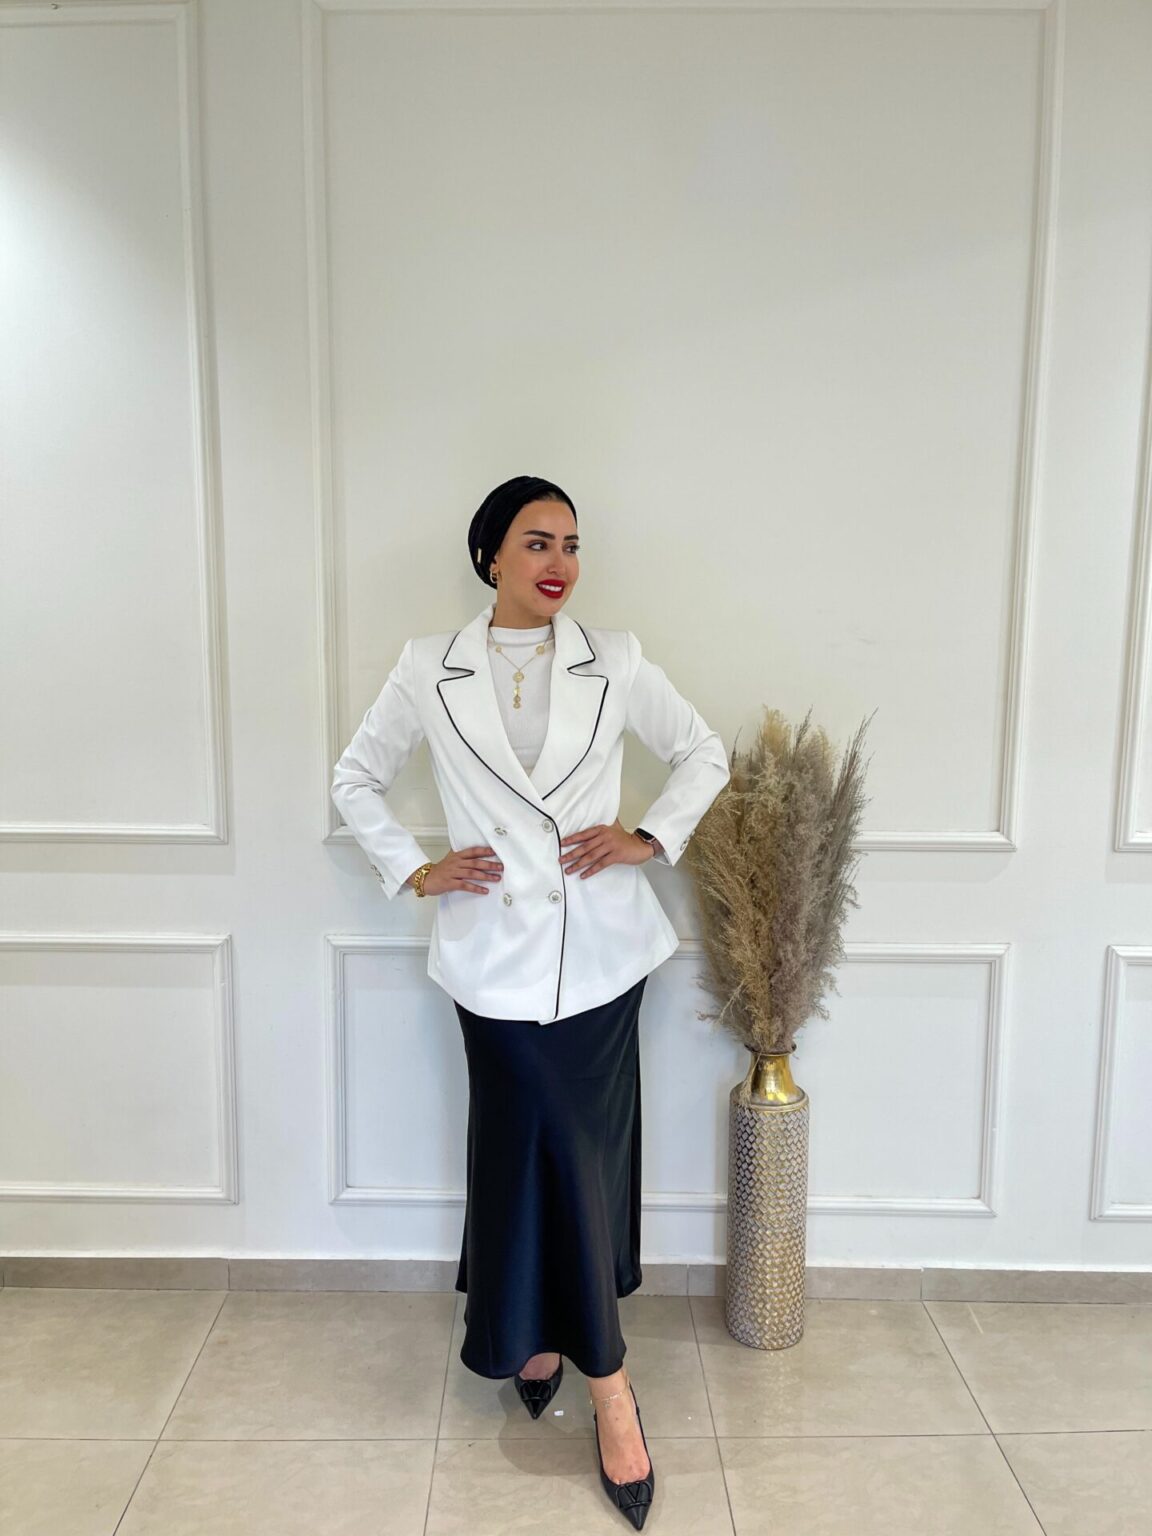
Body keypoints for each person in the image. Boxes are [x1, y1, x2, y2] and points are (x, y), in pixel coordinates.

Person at [331, 475, 730, 1527]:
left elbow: (704, 753)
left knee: (580, 1160)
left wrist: (648, 838)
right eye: (537, 541)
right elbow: (354, 779)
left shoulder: (617, 660)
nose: (560, 563)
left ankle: (602, 1381)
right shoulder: (429, 667)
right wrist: (416, 869)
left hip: (600, 961)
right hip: (492, 967)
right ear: (491, 556)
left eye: (572, 544)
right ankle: (552, 1344)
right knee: (530, 1155)